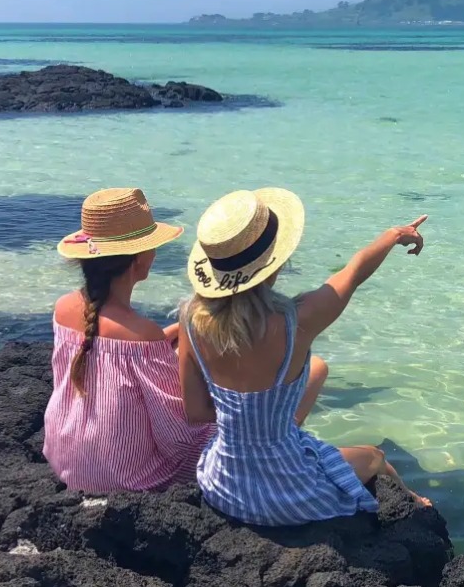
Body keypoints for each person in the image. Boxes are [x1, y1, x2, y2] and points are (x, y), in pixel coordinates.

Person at [176, 187, 430, 527]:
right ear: (273, 262)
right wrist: (395, 234)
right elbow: (353, 273)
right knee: (375, 457)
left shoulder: (191, 322)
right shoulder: (297, 320)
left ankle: (272, 433)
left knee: (313, 375)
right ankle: (414, 505)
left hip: (224, 486)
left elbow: (196, 412)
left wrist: (253, 422)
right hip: (289, 495)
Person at [42, 187, 215, 493]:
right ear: (139, 258)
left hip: (65, 460)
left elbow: (103, 354)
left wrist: (167, 337)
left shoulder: (63, 308)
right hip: (123, 480)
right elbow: (178, 437)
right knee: (222, 435)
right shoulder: (141, 334)